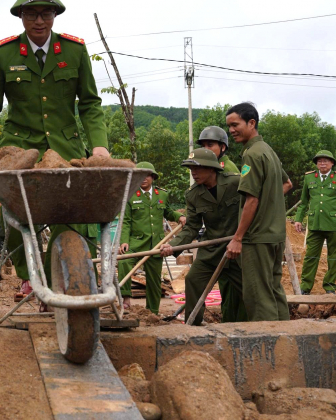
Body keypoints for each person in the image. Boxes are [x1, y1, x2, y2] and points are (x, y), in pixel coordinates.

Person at [0, 0, 109, 301]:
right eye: (31, 13)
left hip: (65, 146)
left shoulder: (74, 50)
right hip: (18, 146)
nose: (39, 21)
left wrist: (99, 144)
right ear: (20, 15)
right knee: (16, 214)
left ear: (55, 14)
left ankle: (59, 277)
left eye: (46, 13)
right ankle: (26, 275)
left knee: (69, 213)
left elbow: (90, 103)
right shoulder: (4, 53)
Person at [160, 149, 246, 324]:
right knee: (193, 280)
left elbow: (254, 205)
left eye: (197, 168)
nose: (193, 173)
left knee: (249, 290)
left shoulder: (235, 183)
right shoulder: (193, 194)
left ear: (212, 168)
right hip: (212, 250)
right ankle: (194, 325)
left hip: (239, 248)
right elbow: (192, 227)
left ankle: (257, 325)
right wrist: (173, 246)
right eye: (191, 168)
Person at [224, 102, 291, 322]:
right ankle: (286, 339)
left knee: (258, 295)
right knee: (273, 289)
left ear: (251, 123)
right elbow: (287, 184)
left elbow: (251, 199)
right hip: (275, 235)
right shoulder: (268, 151)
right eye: (229, 126)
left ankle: (269, 348)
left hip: (257, 237)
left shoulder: (251, 155)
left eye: (235, 124)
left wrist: (238, 237)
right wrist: (269, 206)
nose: (231, 130)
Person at [117, 162, 185, 313]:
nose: (144, 179)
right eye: (140, 175)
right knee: (125, 261)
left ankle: (152, 311)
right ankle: (126, 298)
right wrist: (124, 241)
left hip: (156, 243)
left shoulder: (162, 194)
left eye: (147, 175)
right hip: (137, 242)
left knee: (154, 280)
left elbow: (168, 212)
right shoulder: (130, 196)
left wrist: (179, 216)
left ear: (153, 177)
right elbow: (126, 221)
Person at [293, 150, 336, 295]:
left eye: (326, 161)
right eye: (319, 161)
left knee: (333, 257)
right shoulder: (309, 178)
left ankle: (329, 287)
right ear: (316, 163)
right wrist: (298, 219)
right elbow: (304, 202)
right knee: (310, 256)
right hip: (315, 223)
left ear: (332, 163)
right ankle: (305, 287)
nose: (322, 163)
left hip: (334, 224)